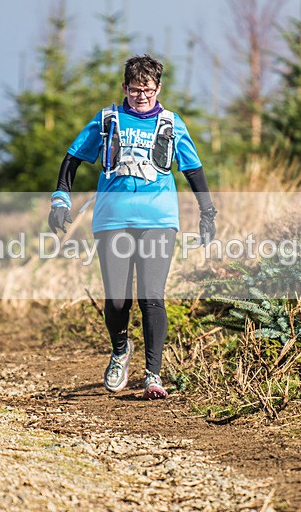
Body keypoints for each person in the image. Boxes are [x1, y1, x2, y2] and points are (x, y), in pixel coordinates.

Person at [48, 54, 217, 400]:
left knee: (151, 296)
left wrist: (207, 212)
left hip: (159, 220)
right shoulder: (107, 120)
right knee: (117, 300)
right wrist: (60, 198)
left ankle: (153, 376)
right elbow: (73, 158)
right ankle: (121, 350)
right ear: (125, 87)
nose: (143, 96)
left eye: (149, 90)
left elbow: (193, 170)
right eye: (136, 90)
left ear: (158, 88)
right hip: (112, 221)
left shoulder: (172, 124)